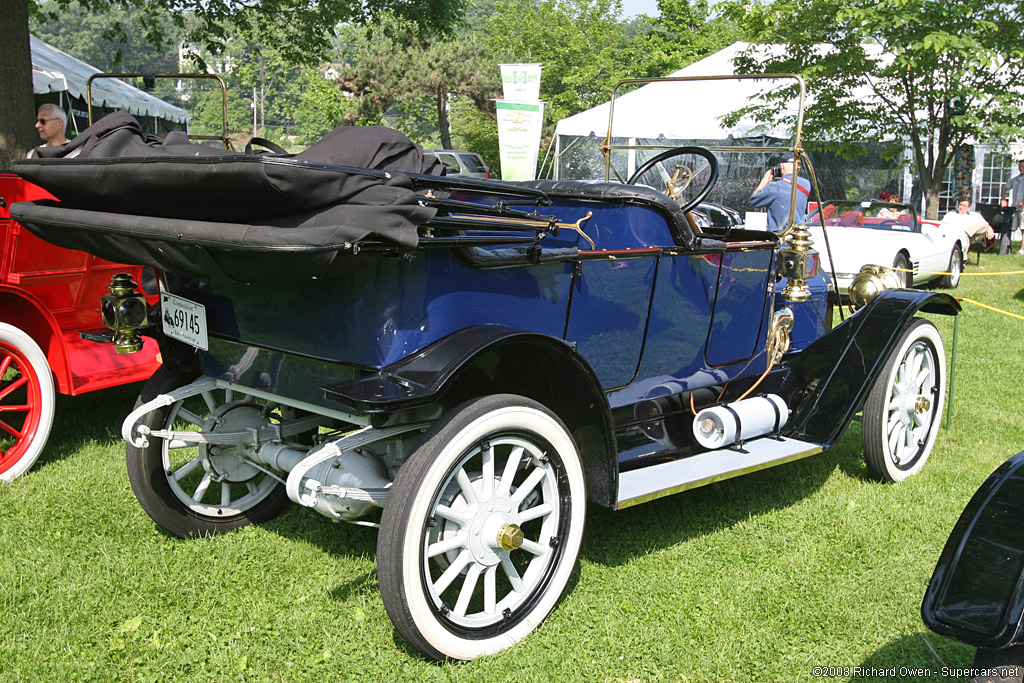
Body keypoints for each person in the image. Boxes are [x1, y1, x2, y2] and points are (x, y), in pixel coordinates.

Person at [750, 152, 810, 232]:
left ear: (782, 165)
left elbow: (754, 200)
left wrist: (764, 181)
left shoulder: (773, 187)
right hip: (798, 236)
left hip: (780, 236)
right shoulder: (806, 184)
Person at [1000, 159, 1024, 255]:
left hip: (1023, 209)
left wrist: (1022, 202)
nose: (1021, 168)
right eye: (1020, 166)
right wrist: (1003, 199)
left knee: (1023, 229)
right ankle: (1007, 249)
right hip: (1015, 208)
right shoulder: (1016, 179)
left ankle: (1022, 250)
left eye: (1023, 167)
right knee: (1011, 227)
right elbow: (1005, 186)